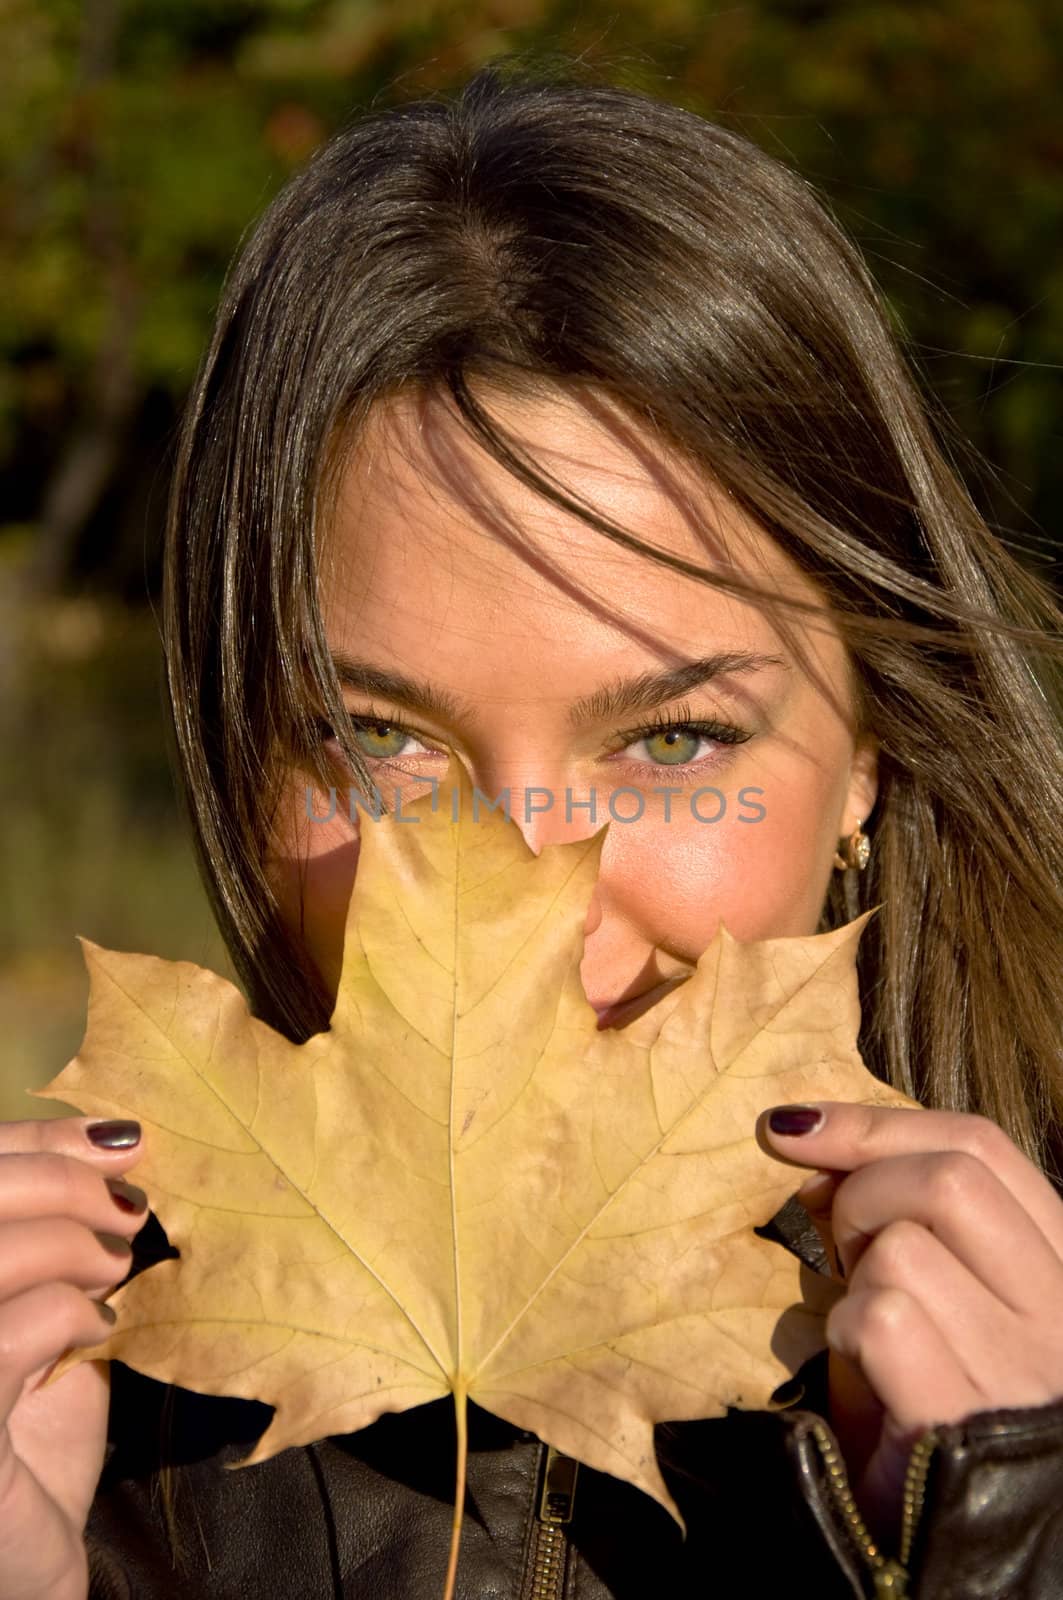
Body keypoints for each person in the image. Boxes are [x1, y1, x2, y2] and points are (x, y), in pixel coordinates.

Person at [3, 57, 1062, 1600]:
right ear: (235, 754)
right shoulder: (101, 1433)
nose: (536, 905)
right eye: (376, 740)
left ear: (871, 757)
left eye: (673, 739)